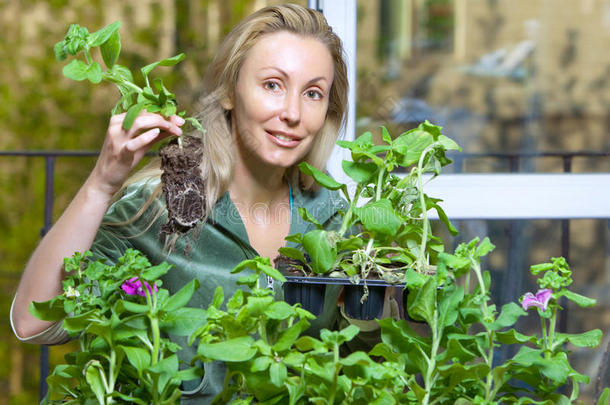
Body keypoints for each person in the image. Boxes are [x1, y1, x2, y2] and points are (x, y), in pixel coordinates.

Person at [11, 4, 397, 403]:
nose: (292, 113)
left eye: (312, 93)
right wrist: (101, 185)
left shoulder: (336, 223)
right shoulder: (158, 209)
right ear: (230, 93)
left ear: (327, 112)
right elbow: (34, 323)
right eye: (272, 85)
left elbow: (362, 364)